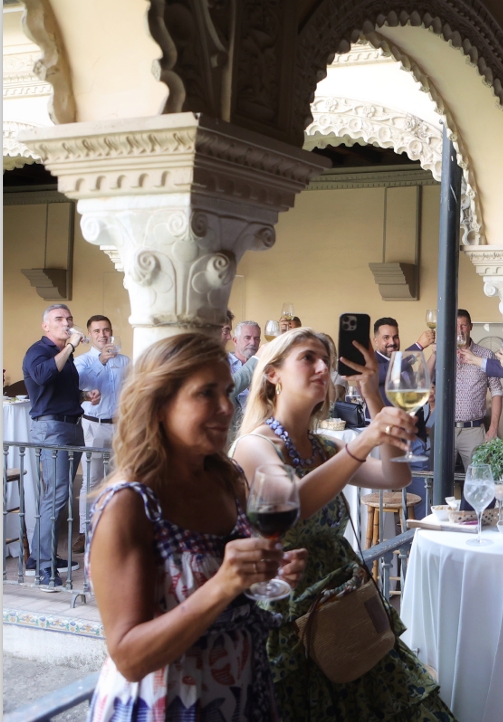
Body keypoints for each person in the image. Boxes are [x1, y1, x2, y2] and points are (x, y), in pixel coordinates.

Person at [231, 327, 455, 721]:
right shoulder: (254, 445)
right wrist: (363, 442)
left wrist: (373, 397)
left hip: (346, 608)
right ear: (273, 374)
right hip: (290, 609)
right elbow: (292, 502)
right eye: (308, 358)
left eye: (327, 361)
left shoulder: (324, 446)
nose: (323, 368)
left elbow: (396, 475)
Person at [85, 333, 308, 721]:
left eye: (227, 391)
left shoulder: (227, 479)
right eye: (206, 393)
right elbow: (129, 658)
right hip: (168, 705)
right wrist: (224, 584)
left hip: (241, 694)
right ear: (158, 404)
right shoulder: (130, 503)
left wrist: (265, 572)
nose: (227, 407)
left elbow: (228, 583)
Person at [22, 304, 86, 590]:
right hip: (52, 429)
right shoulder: (38, 351)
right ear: (45, 326)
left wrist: (84, 395)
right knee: (56, 495)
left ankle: (39, 557)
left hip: (70, 426)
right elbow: (42, 377)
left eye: (69, 318)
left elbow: (56, 391)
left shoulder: (65, 356)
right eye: (59, 319)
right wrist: (70, 345)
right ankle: (44, 567)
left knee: (59, 493)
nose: (66, 323)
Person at [74, 315, 130, 554]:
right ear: (89, 334)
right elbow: (79, 383)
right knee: (92, 479)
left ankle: (115, 528)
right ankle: (85, 531)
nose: (102, 335)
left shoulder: (125, 361)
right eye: (96, 331)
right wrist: (102, 361)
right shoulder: (82, 361)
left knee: (118, 477)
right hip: (94, 426)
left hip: (119, 426)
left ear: (111, 332)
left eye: (106, 330)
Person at [450, 309, 503, 471]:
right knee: (440, 480)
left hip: (473, 431)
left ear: (471, 326)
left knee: (479, 479)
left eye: (464, 325)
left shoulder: (485, 355)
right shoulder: (443, 354)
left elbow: (497, 392)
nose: (460, 330)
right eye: (456, 326)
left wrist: (493, 428)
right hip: (445, 429)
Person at [372, 316, 434, 405]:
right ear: (376, 341)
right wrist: (418, 345)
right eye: (386, 338)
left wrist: (435, 353)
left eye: (395, 337)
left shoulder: (403, 362)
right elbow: (389, 369)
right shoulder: (370, 363)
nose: (392, 342)